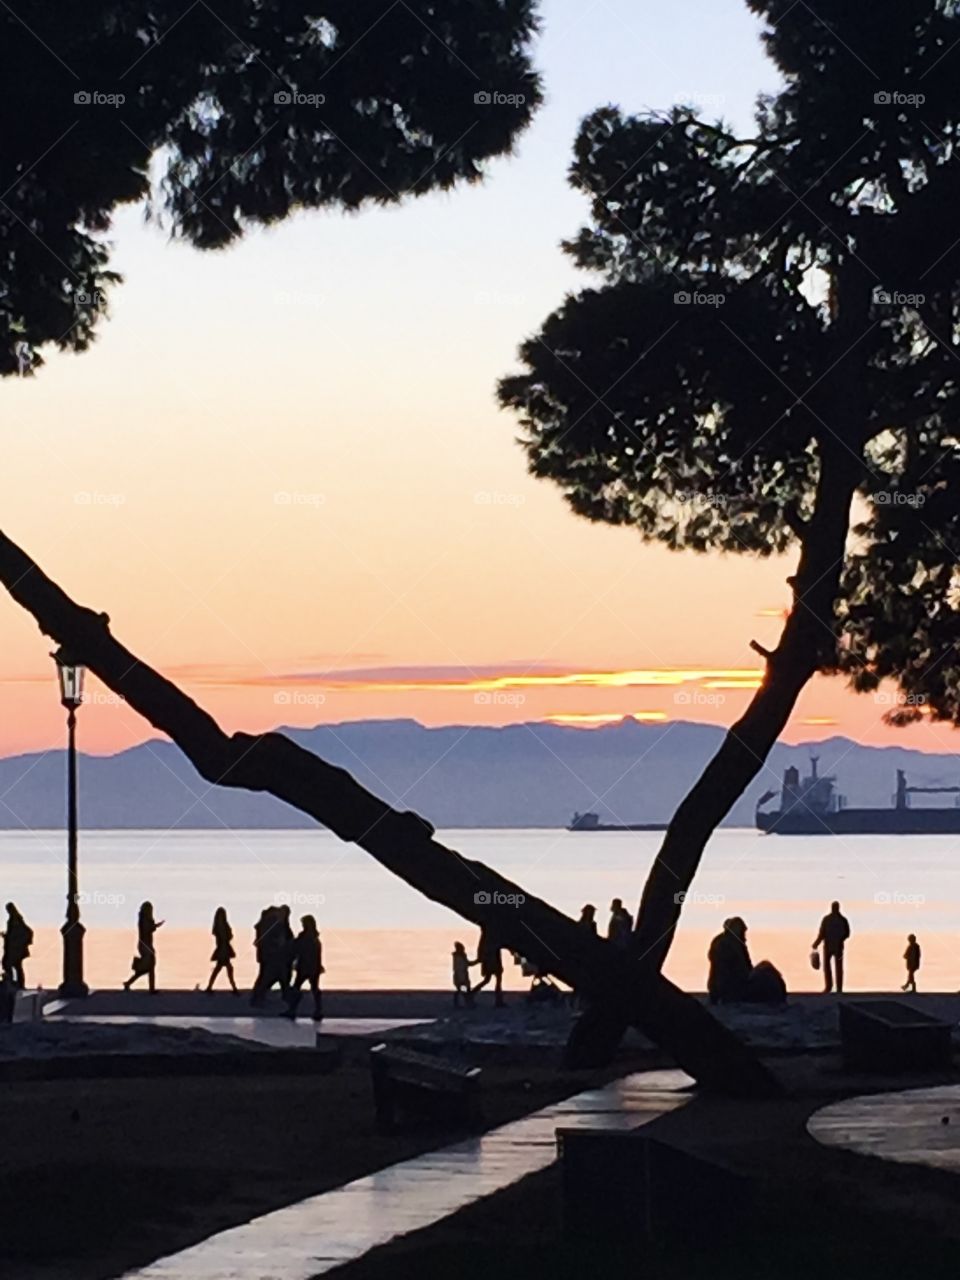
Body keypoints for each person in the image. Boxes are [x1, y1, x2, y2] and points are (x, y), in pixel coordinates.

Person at [707, 917, 787, 1006]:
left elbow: (746, 968)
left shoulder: (732, 943)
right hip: (734, 990)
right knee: (768, 973)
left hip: (731, 989)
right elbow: (734, 972)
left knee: (766, 969)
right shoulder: (728, 945)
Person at [250, 904, 293, 1006]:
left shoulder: (274, 925)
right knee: (271, 977)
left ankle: (259, 997)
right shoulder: (274, 925)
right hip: (273, 956)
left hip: (273, 956)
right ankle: (258, 998)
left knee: (270, 977)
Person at [284, 915, 324, 1020]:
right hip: (312, 967)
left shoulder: (306, 937)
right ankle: (317, 1010)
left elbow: (298, 948)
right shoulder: (314, 937)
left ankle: (293, 1010)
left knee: (298, 988)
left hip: (306, 967)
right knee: (313, 989)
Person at [123, 901, 163, 992]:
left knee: (148, 967)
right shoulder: (144, 919)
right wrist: (155, 926)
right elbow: (147, 929)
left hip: (145, 945)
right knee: (150, 966)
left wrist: (155, 926)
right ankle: (151, 988)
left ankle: (129, 983)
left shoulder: (143, 919)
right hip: (146, 946)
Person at [812, 901, 851, 994]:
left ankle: (836, 988)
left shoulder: (836, 920)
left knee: (836, 967)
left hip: (835, 946)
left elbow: (847, 933)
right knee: (830, 967)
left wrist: (840, 939)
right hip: (831, 946)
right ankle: (831, 987)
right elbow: (822, 933)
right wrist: (816, 943)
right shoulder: (836, 919)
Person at [471, 921, 505, 1007]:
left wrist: (480, 960)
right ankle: (498, 1000)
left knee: (490, 980)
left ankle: (472, 993)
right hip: (492, 961)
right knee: (492, 980)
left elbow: (481, 950)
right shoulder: (490, 937)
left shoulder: (486, 938)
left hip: (491, 960)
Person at [206, 906, 239, 993]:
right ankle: (234, 988)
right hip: (223, 949)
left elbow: (229, 936)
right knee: (226, 969)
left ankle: (210, 987)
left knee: (222, 969)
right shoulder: (221, 926)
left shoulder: (221, 926)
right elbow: (228, 936)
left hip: (224, 949)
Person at [2, 903, 33, 989]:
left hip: (14, 949)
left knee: (9, 964)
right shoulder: (17, 920)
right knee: (16, 966)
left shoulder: (14, 921)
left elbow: (14, 934)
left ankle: (12, 982)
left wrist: (7, 936)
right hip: (15, 949)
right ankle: (17, 983)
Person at [452, 941, 473, 1007]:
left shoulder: (461, 956)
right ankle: (467, 1002)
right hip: (461, 976)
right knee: (463, 990)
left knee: (463, 990)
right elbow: (460, 966)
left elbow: (467, 964)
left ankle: (466, 1002)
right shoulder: (459, 956)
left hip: (461, 975)